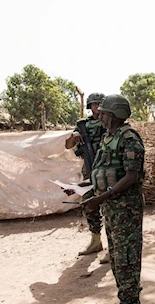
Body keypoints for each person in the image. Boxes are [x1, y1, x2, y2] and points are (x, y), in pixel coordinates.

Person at [81, 95, 145, 304]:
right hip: (111, 209)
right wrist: (82, 187)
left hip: (126, 211)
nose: (99, 116)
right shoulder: (108, 137)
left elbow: (131, 176)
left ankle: (130, 298)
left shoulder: (129, 139)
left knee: (127, 259)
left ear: (115, 115)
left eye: (104, 113)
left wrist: (102, 198)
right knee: (117, 260)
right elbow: (103, 170)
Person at [65, 92, 107, 257]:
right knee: (89, 203)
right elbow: (68, 145)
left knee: (109, 206)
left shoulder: (109, 122)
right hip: (89, 170)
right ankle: (96, 240)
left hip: (108, 168)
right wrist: (74, 137)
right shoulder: (83, 125)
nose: (96, 107)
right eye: (93, 104)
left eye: (99, 103)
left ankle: (113, 246)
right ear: (89, 107)